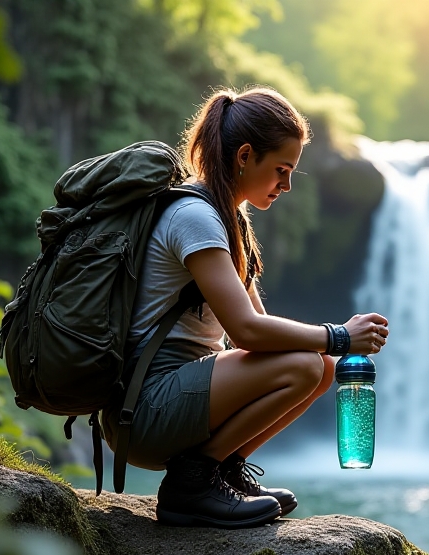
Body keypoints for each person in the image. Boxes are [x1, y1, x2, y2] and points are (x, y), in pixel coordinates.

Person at [101, 87, 389, 529]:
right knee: (307, 367)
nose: (288, 184)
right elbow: (248, 331)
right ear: (245, 155)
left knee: (321, 368)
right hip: (144, 409)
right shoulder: (194, 218)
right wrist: (339, 336)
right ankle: (191, 482)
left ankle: (218, 471)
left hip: (174, 399)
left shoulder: (227, 217)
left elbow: (249, 329)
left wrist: (332, 345)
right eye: (281, 169)